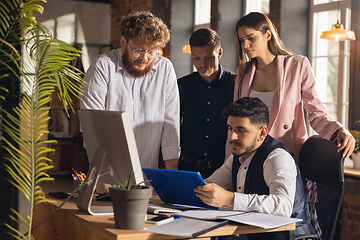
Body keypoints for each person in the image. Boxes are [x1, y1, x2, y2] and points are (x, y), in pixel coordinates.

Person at [228, 12, 355, 164]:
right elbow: (235, 121)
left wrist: (339, 129)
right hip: (248, 159)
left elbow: (316, 111)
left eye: (251, 38)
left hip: (284, 157)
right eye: (242, 40)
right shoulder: (244, 72)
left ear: (268, 34)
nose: (245, 46)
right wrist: (229, 163)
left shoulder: (297, 65)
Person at [80, 11, 180, 191]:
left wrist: (171, 182)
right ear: (123, 42)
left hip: (149, 177)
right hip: (107, 177)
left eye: (152, 51)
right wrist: (102, 185)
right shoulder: (103, 66)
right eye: (138, 50)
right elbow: (92, 127)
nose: (145, 58)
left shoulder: (165, 68)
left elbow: (171, 126)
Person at [195, 97, 312, 240]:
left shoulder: (277, 158)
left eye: (241, 130)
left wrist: (230, 199)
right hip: (250, 234)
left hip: (287, 237)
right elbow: (209, 184)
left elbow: (283, 206)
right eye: (230, 128)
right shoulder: (238, 155)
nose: (232, 137)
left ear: (262, 133)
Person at [178, 28, 235, 178]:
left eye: (209, 57)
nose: (202, 64)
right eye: (196, 58)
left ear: (220, 53)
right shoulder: (181, 85)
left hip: (223, 169)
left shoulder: (236, 84)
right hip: (186, 168)